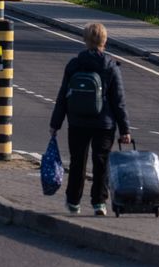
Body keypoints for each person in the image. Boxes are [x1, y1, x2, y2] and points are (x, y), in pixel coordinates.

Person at [49, 22, 131, 217]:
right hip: (104, 123)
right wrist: (125, 129)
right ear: (105, 40)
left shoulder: (74, 64)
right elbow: (118, 101)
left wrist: (55, 123)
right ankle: (99, 203)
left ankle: (73, 201)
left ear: (85, 40)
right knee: (101, 162)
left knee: (78, 162)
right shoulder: (111, 66)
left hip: (77, 121)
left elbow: (63, 96)